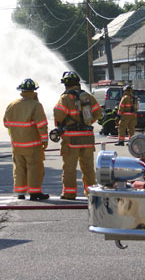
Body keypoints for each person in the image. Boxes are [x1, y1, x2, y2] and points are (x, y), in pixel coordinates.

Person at [53, 71, 102, 200]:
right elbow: (98, 112)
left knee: (70, 167)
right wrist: (88, 122)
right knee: (88, 168)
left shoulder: (64, 99)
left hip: (71, 139)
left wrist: (61, 125)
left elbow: (58, 115)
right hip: (87, 138)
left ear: (66, 85)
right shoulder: (88, 97)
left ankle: (69, 193)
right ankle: (91, 192)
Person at [3, 78, 50, 201]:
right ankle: (34, 193)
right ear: (34, 91)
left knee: (19, 168)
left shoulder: (12, 105)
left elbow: (6, 123)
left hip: (17, 145)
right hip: (32, 145)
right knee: (34, 168)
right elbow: (41, 125)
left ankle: (20, 193)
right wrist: (44, 141)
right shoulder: (36, 105)